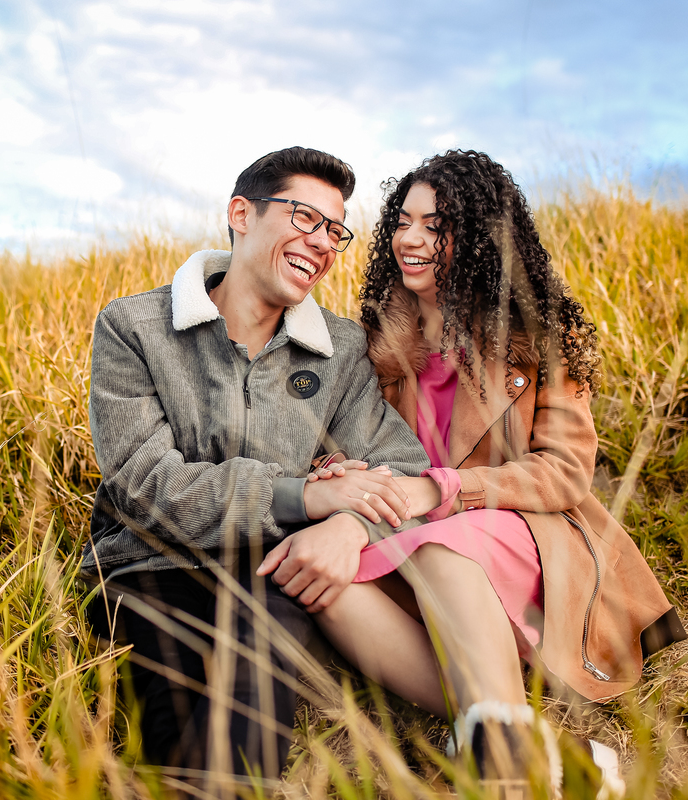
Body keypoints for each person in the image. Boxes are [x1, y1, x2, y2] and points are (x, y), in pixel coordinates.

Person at [262, 150, 687, 788]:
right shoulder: (371, 344)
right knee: (321, 576)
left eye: (435, 227)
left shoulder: (538, 337)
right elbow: (340, 442)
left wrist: (443, 488)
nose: (409, 239)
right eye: (403, 222)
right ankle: (529, 747)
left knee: (442, 541)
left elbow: (565, 471)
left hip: (523, 536)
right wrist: (338, 469)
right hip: (404, 539)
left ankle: (500, 771)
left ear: (483, 239)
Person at [83, 146, 430, 785]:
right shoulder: (135, 328)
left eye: (335, 229)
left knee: (254, 702)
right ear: (242, 213)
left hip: (273, 567)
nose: (322, 242)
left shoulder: (340, 348)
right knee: (175, 720)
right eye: (304, 217)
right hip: (152, 564)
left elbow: (403, 466)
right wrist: (304, 496)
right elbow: (144, 482)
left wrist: (348, 527)